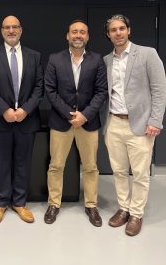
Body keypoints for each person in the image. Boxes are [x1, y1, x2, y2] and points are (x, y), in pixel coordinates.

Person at [102, 14, 166, 236]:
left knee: (139, 173)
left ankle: (136, 214)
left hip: (140, 125)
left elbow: (159, 89)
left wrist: (155, 120)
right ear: (108, 34)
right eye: (113, 30)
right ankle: (123, 208)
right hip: (113, 123)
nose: (118, 33)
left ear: (129, 30)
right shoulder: (106, 60)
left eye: (121, 28)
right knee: (119, 171)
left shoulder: (148, 54)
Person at [0, 15, 44, 225]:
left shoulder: (34, 56)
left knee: (23, 163)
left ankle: (19, 203)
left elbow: (39, 87)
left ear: (21, 30)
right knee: (1, 163)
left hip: (27, 119)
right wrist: (4, 110)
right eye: (7, 27)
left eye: (14, 27)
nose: (11, 31)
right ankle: (0, 203)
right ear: (1, 31)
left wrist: (25, 110)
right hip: (0, 120)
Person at [44, 20, 107, 226]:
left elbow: (101, 92)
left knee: (90, 167)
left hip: (88, 123)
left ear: (87, 37)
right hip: (62, 121)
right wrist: (70, 114)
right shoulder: (55, 59)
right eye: (74, 32)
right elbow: (50, 91)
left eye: (82, 32)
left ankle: (91, 205)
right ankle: (53, 204)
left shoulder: (97, 60)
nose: (78, 35)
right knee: (56, 166)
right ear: (68, 36)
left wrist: (85, 115)